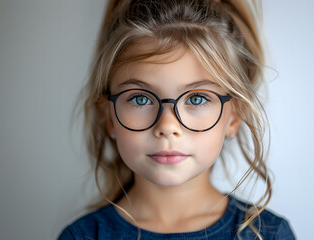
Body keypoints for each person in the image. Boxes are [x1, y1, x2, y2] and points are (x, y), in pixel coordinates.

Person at [59, 0, 295, 239]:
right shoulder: (83, 236)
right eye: (141, 99)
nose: (167, 127)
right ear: (108, 115)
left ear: (234, 116)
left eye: (196, 99)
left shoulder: (269, 234)